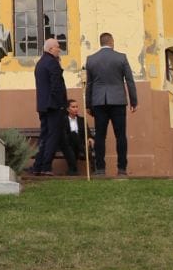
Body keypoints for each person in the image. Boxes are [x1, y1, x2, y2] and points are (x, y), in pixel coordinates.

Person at [84, 32, 137, 177]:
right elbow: (129, 81)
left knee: (100, 136)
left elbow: (89, 84)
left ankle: (100, 168)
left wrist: (88, 104)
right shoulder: (121, 57)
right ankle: (122, 169)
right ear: (111, 42)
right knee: (121, 136)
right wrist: (133, 101)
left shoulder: (91, 59)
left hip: (99, 102)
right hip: (118, 101)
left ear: (101, 43)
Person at [31, 37, 76, 175]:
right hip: (54, 106)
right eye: (57, 47)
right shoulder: (52, 63)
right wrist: (62, 105)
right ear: (51, 49)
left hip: (43, 106)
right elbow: (56, 86)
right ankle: (46, 166)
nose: (59, 50)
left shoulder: (40, 63)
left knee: (45, 136)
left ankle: (38, 166)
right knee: (52, 137)